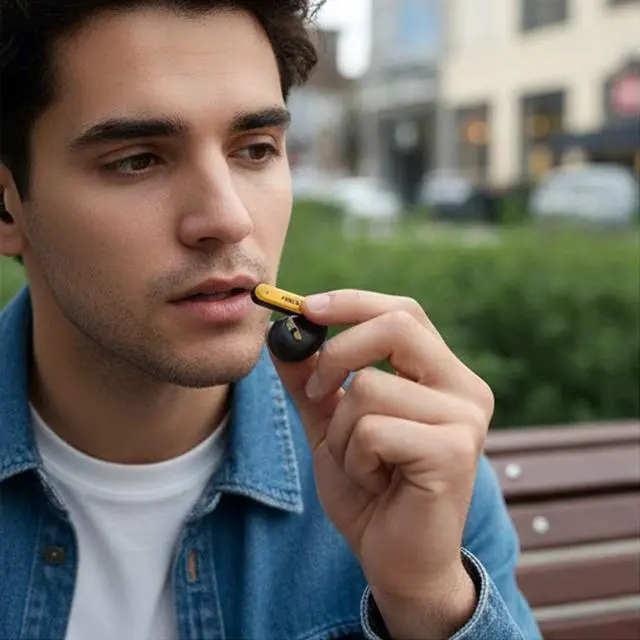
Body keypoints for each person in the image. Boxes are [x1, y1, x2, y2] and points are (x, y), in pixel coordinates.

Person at [0, 1, 542, 639]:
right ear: (7, 209)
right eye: (137, 159)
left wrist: (426, 597)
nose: (229, 218)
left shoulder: (403, 464)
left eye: (256, 150)